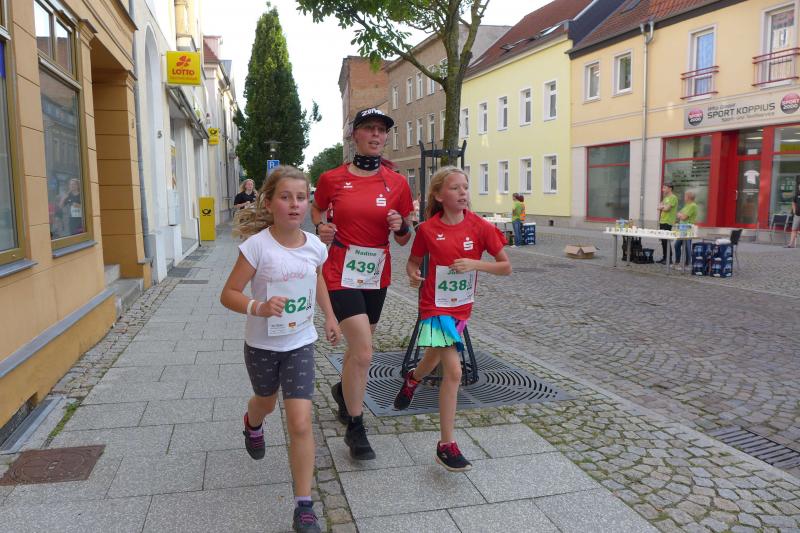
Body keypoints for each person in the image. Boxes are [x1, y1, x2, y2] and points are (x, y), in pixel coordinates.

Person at [220, 165, 340, 533]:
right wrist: (258, 307)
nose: (294, 204)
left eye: (301, 197)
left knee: (300, 421)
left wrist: (330, 317)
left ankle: (304, 504)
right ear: (270, 203)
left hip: (300, 343)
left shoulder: (315, 246)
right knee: (266, 402)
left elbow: (317, 279)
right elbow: (228, 294)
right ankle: (252, 422)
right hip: (261, 345)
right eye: (285, 197)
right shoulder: (257, 246)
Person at [311, 108, 414, 460]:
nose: (376, 135)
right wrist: (321, 227)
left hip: (375, 273)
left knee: (358, 348)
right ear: (354, 135)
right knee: (366, 352)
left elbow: (404, 237)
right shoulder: (332, 178)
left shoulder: (397, 183)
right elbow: (317, 210)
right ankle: (356, 428)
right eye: (369, 129)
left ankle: (344, 391)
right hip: (340, 270)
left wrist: (402, 226)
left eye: (381, 130)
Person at [393, 166, 511, 471]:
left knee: (432, 357)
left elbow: (505, 266)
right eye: (455, 188)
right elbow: (413, 262)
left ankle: (413, 379)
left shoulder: (480, 227)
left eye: (465, 187)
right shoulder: (428, 229)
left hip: (461, 309)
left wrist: (475, 264)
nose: (462, 193)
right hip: (434, 306)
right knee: (454, 372)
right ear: (438, 195)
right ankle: (446, 445)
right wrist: (413, 275)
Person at [674, 190, 698, 268]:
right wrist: (680, 215)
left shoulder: (693, 206)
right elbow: (678, 214)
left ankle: (687, 264)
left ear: (688, 197)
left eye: (685, 196)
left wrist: (680, 215)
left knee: (687, 247)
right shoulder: (687, 205)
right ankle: (677, 262)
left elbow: (684, 217)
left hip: (688, 229)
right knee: (677, 245)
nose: (684, 197)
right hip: (682, 228)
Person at [656, 182, 678, 263]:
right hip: (662, 221)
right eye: (663, 188)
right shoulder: (665, 198)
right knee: (663, 240)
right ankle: (664, 257)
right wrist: (663, 206)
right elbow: (658, 207)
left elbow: (667, 209)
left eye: (664, 188)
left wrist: (662, 207)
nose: (663, 190)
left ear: (670, 188)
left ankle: (669, 258)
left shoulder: (673, 198)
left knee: (666, 240)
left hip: (668, 221)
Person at [785, 182, 800, 248]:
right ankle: (791, 244)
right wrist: (794, 211)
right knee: (794, 229)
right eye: (799, 187)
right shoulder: (797, 195)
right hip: (797, 215)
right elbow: (793, 202)